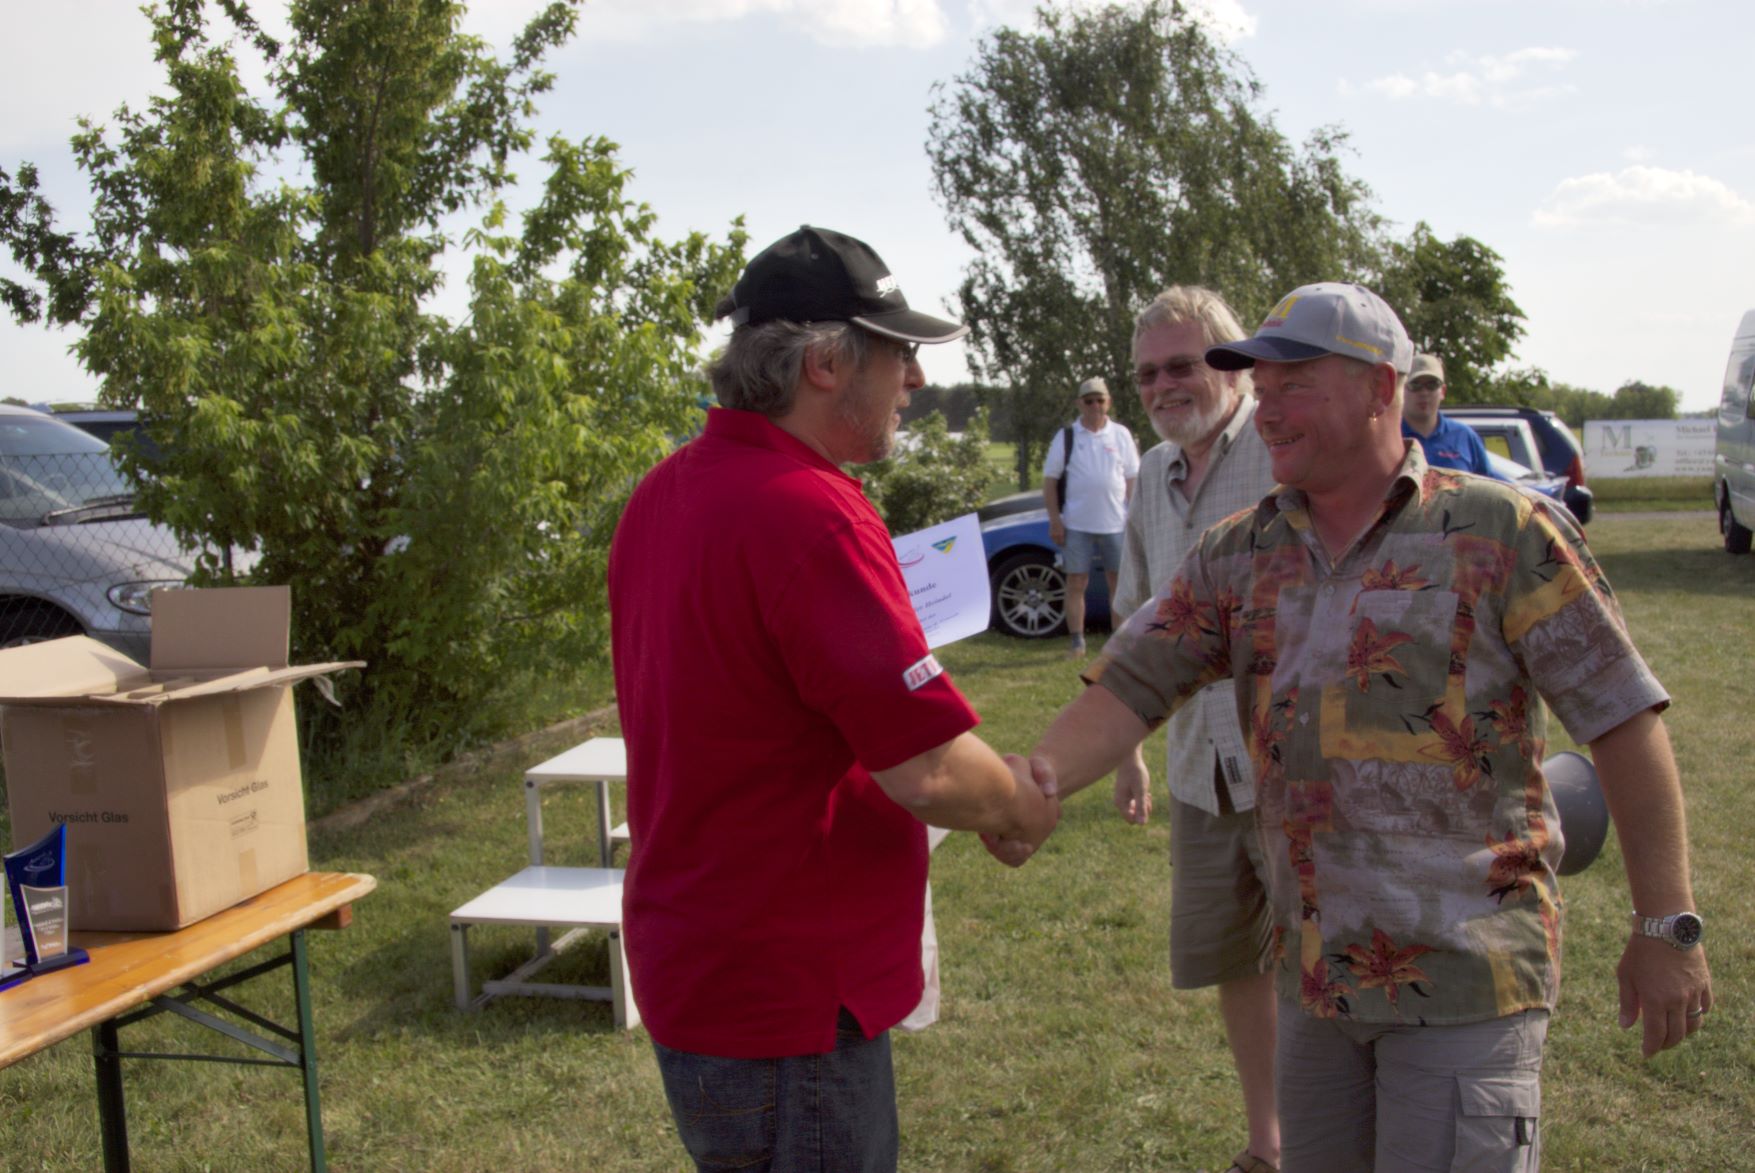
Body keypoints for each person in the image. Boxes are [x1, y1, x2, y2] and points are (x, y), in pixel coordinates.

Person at [1022, 283, 1712, 1171]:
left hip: (1466, 984)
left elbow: (1621, 719)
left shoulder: (1500, 530)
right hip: (1312, 986)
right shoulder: (1238, 551)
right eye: (1261, 387)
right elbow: (1128, 684)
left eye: (1294, 385)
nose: (1267, 409)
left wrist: (1666, 925)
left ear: (1381, 387)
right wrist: (1031, 781)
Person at [607, 225, 1059, 1173]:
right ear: (824, 364)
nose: (915, 380)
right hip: (789, 992)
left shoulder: (665, 490)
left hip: (700, 960)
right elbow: (928, 769)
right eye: (897, 354)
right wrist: (1018, 805)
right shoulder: (810, 511)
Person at [1107, 286, 1283, 1173]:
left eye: (1181, 365)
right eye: (1146, 374)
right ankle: (1269, 1143)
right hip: (1199, 768)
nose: (1161, 386)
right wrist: (1128, 753)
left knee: (1328, 961)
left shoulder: (1285, 446)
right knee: (1236, 958)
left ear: (1234, 363)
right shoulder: (1149, 471)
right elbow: (1137, 624)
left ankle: (1333, 1143)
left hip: (1300, 767)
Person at [1042, 375, 1139, 657]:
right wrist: (1055, 520)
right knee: (1076, 583)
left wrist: (1135, 518)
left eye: (1099, 400)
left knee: (1118, 584)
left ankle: (1119, 642)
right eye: (1089, 401)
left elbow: (1132, 478)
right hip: (1076, 524)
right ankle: (1077, 642)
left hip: (1116, 523)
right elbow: (1050, 481)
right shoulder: (1066, 437)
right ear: (1079, 404)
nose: (1095, 406)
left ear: (1108, 402)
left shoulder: (1120, 434)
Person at [1400, 352, 1496, 476]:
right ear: (1402, 390)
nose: (1424, 392)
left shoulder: (1464, 436)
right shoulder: (1389, 436)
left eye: (1432, 385)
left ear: (1443, 391)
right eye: (1415, 385)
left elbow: (1487, 482)